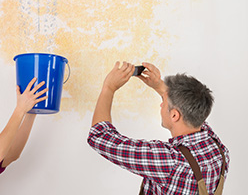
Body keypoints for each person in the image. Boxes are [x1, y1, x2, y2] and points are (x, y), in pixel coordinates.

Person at [87, 62, 230, 194]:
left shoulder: (169, 161)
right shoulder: (219, 150)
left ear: (174, 115)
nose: (161, 105)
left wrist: (109, 88)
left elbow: (99, 136)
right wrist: (159, 86)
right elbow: (194, 116)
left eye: (164, 102)